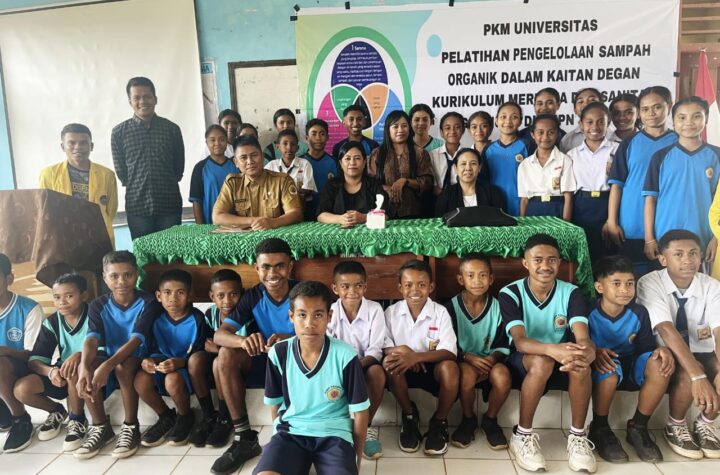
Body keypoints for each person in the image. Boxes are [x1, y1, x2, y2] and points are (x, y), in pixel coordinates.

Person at [500, 234, 596, 473]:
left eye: (552, 260)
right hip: (523, 359)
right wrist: (552, 350)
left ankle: (577, 437)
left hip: (562, 357)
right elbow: (520, 341)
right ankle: (522, 435)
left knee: (580, 364)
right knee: (542, 362)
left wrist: (586, 351)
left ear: (559, 262)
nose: (545, 266)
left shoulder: (571, 292)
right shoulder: (510, 293)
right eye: (538, 260)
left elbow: (582, 337)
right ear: (526, 263)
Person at [253, 281, 370, 475]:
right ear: (291, 316)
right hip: (291, 433)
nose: (309, 323)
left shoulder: (345, 355)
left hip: (334, 434)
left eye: (318, 315)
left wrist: (355, 460)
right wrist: (278, 444)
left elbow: (361, 412)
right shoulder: (279, 353)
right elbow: (275, 405)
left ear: (329, 317)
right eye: (302, 315)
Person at [210, 238, 298, 475]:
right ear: (257, 269)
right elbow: (220, 335)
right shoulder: (253, 296)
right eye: (266, 267)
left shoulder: (302, 292)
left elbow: (326, 332)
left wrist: (292, 339)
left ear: (290, 267)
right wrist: (243, 341)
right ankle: (244, 438)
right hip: (266, 361)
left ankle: (297, 437)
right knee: (225, 355)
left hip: (300, 360)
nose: (273, 273)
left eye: (279, 266)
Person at [636, 230, 720, 460]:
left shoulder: (712, 286)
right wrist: (698, 377)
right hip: (667, 350)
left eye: (693, 253)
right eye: (679, 254)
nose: (688, 260)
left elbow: (718, 330)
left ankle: (705, 423)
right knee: (689, 375)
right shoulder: (650, 282)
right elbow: (665, 328)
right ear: (663, 259)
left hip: (704, 349)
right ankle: (676, 425)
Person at [587, 255, 674, 463]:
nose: (625, 290)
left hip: (631, 365)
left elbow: (645, 348)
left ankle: (638, 427)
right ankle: (599, 428)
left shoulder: (639, 312)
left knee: (659, 363)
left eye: (629, 284)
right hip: (601, 366)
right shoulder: (588, 311)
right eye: (616, 283)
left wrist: (662, 350)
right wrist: (595, 351)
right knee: (609, 369)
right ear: (599, 287)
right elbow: (577, 341)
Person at [75, 251, 154, 459]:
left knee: (122, 366)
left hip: (139, 355)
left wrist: (107, 365)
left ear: (137, 274)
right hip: (111, 355)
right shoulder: (97, 305)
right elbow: (91, 339)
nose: (121, 282)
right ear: (104, 277)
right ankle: (100, 426)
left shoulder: (148, 301)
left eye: (127, 275)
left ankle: (131, 426)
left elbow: (136, 340)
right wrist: (84, 367)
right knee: (85, 367)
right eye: (114, 276)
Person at [383, 259, 459, 456]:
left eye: (421, 284)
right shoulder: (391, 312)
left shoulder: (440, 312)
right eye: (408, 285)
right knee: (389, 362)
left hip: (432, 368)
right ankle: (409, 416)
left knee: (451, 368)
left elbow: (450, 352)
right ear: (400, 288)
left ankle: (439, 421)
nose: (415, 290)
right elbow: (384, 347)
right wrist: (404, 353)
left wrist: (416, 357)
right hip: (403, 369)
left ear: (431, 287)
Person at [13, 274, 90, 453]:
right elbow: (35, 360)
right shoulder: (52, 322)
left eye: (69, 296)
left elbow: (103, 349)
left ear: (84, 295)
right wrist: (51, 371)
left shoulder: (94, 315)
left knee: (73, 370)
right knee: (21, 389)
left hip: (90, 370)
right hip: (63, 373)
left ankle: (77, 420)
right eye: (57, 297)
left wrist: (80, 355)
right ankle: (56, 411)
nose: (62, 302)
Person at [132, 270, 208, 447]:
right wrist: (146, 361)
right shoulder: (155, 319)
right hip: (160, 364)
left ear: (190, 296)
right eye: (167, 292)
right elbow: (147, 347)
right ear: (158, 296)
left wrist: (181, 362)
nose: (173, 298)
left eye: (180, 292)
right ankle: (166, 416)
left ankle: (185, 416)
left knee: (172, 380)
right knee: (140, 381)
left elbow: (200, 351)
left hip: (185, 367)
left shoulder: (197, 319)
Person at [606, 86, 677, 275]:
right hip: (632, 223)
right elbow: (616, 185)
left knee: (665, 280)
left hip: (666, 222)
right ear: (639, 112)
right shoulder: (629, 143)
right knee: (632, 278)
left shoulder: (679, 141)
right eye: (645, 109)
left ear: (669, 106)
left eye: (657, 107)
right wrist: (612, 221)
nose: (651, 113)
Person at [643, 96, 720, 265]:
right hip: (665, 235)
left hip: (705, 238)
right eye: (682, 117)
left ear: (706, 118)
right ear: (673, 121)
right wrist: (649, 238)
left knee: (701, 281)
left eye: (696, 116)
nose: (689, 122)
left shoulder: (717, 156)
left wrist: (716, 238)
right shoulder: (660, 157)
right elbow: (650, 199)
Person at [445, 254, 511, 450]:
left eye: (483, 275)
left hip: (491, 360)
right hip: (464, 360)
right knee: (466, 375)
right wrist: (467, 357)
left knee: (503, 376)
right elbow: (447, 344)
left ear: (491, 279)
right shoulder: (451, 308)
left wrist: (492, 358)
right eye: (470, 275)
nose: (477, 281)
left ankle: (490, 419)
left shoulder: (498, 307)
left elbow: (503, 343)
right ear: (460, 279)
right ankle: (468, 418)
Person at [111, 77, 185, 240]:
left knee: (171, 253)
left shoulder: (172, 129)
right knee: (143, 254)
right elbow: (121, 172)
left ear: (155, 99)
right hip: (137, 207)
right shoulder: (119, 133)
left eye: (147, 96)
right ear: (130, 102)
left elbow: (179, 168)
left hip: (169, 205)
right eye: (137, 98)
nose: (142, 101)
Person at [327, 261, 386, 460]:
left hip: (365, 364)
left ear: (365, 287)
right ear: (335, 288)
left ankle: (366, 427)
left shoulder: (375, 310)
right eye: (345, 286)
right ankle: (340, 426)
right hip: (338, 367)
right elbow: (327, 346)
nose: (352, 291)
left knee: (378, 374)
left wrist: (357, 366)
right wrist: (346, 368)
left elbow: (376, 349)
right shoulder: (330, 312)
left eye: (358, 285)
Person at [39, 123, 118, 246]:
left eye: (83, 143)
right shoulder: (49, 174)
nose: (78, 147)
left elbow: (111, 210)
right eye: (71, 143)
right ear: (62, 146)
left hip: (98, 236)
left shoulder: (107, 175)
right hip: (64, 237)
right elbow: (45, 210)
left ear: (91, 146)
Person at [192, 269, 244, 448]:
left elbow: (245, 346)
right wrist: (216, 347)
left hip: (238, 361)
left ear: (242, 293)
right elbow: (206, 343)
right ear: (212, 296)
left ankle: (225, 418)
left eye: (233, 294)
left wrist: (220, 348)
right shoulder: (210, 314)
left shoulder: (245, 314)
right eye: (220, 296)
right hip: (217, 355)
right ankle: (208, 416)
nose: (227, 301)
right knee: (195, 361)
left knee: (217, 362)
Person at [0, 253, 43, 453]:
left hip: (24, 367)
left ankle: (21, 419)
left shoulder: (28, 308)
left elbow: (32, 355)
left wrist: (5, 350)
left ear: (9, 279)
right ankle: (4, 411)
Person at [212, 135, 303, 230]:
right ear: (236, 162)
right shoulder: (232, 183)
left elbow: (296, 213)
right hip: (243, 237)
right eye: (243, 157)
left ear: (262, 157)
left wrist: (273, 222)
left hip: (275, 235)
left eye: (254, 155)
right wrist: (255, 221)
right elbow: (217, 217)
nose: (250, 161)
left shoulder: (282, 180)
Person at [568, 102, 619, 261]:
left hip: (607, 204)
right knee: (584, 253)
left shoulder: (617, 149)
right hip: (581, 205)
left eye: (601, 122)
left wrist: (612, 219)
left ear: (608, 124)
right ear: (581, 124)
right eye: (589, 122)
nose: (595, 127)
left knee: (608, 254)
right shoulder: (572, 155)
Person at [367, 110, 434, 219]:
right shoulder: (377, 154)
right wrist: (387, 189)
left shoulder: (420, 153)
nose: (400, 130)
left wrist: (405, 181)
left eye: (404, 126)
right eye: (395, 126)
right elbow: (369, 183)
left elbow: (428, 182)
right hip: (384, 213)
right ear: (388, 129)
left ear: (409, 128)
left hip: (414, 212)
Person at [316, 141, 390, 227]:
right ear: (340, 163)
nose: (352, 163)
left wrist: (364, 217)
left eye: (357, 158)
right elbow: (321, 215)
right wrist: (340, 219)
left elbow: (385, 215)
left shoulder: (374, 184)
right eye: (347, 158)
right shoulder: (332, 185)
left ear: (364, 162)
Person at [517, 115, 576, 220]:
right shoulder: (525, 164)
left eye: (551, 132)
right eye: (540, 132)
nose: (545, 137)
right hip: (533, 209)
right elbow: (524, 199)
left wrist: (566, 224)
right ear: (532, 134)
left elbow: (568, 197)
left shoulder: (564, 160)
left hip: (557, 208)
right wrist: (522, 223)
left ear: (558, 134)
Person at [482, 101, 531, 216]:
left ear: (520, 121)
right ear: (496, 120)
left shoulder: (527, 145)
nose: (508, 121)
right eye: (503, 117)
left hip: (521, 204)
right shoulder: (488, 149)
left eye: (514, 117)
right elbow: (484, 180)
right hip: (494, 205)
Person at [190, 125, 240, 224]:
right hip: (210, 223)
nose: (217, 143)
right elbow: (196, 200)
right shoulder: (200, 168)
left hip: (236, 222)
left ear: (227, 141)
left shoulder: (236, 165)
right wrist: (201, 227)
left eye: (222, 139)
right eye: (212, 140)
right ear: (206, 142)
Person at [434, 148, 506, 217]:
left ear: (479, 167)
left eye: (473, 163)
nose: (468, 168)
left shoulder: (493, 193)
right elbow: (439, 222)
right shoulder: (446, 195)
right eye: (463, 164)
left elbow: (501, 220)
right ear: (456, 168)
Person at [265, 129, 317, 213]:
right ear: (278, 147)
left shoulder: (304, 164)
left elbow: (308, 189)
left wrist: (282, 191)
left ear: (297, 148)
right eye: (285, 144)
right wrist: (294, 189)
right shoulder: (271, 166)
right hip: (276, 209)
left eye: (293, 144)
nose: (289, 147)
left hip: (300, 208)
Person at [303, 118, 338, 218]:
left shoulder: (335, 162)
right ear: (306, 138)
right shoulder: (300, 162)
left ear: (327, 137)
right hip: (304, 215)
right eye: (313, 134)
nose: (318, 138)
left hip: (330, 215)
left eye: (322, 134)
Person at [518, 87, 567, 152]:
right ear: (534, 106)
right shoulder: (521, 136)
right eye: (540, 103)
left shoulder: (565, 138)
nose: (544, 107)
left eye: (549, 103)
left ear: (558, 105)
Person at [429, 111, 465, 194]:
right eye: (447, 128)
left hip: (462, 197)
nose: (452, 131)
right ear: (441, 132)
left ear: (463, 130)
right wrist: (445, 196)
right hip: (438, 198)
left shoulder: (468, 155)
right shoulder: (432, 155)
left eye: (457, 127)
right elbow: (430, 183)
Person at [559, 87, 603, 153]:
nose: (586, 104)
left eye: (592, 100)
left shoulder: (611, 137)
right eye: (580, 101)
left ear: (602, 107)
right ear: (575, 110)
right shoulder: (567, 140)